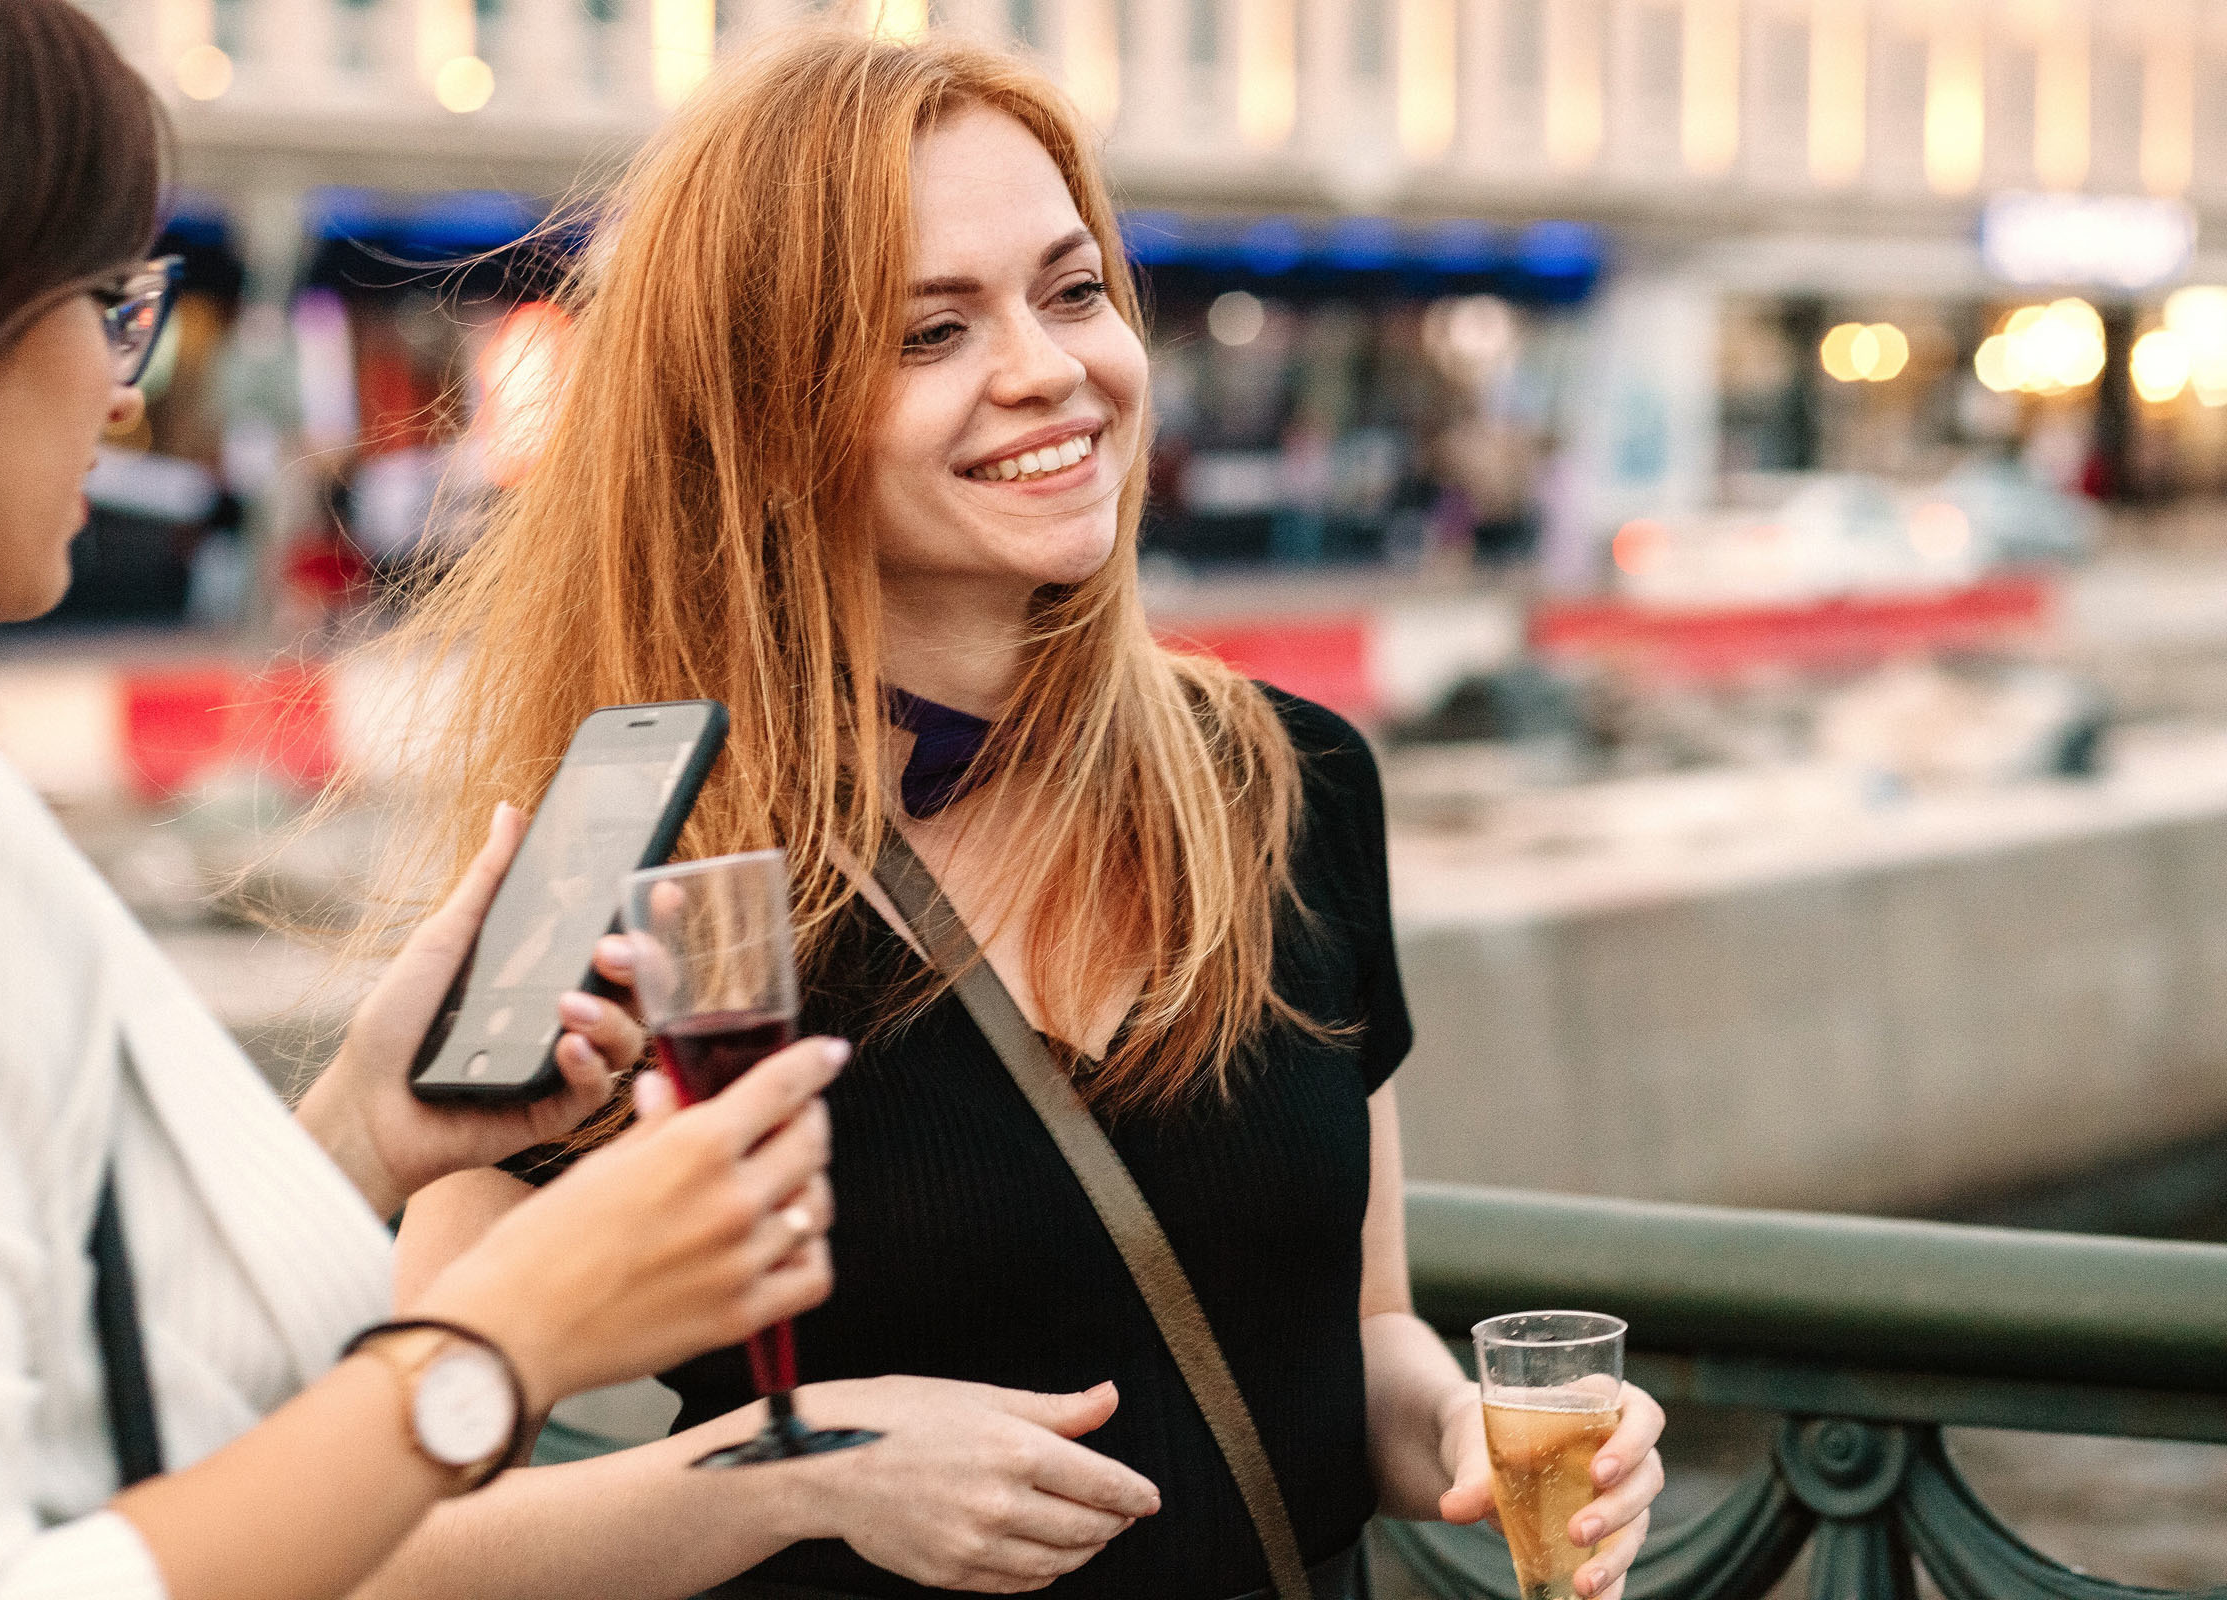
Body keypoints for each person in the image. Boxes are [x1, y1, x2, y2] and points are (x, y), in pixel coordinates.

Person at [367, 25, 1664, 1600]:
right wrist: (794, 1474)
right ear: (764, 416)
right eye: (930, 333)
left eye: (1071, 291)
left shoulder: (1295, 782)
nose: (1050, 368)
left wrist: (1474, 1426)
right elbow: (388, 1536)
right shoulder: (637, 868)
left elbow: (1362, 1336)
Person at [0, 6, 844, 1598]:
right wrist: (513, 1341)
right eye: (110, 302)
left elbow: (71, 1385)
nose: (121, 388)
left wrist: (370, 1134)